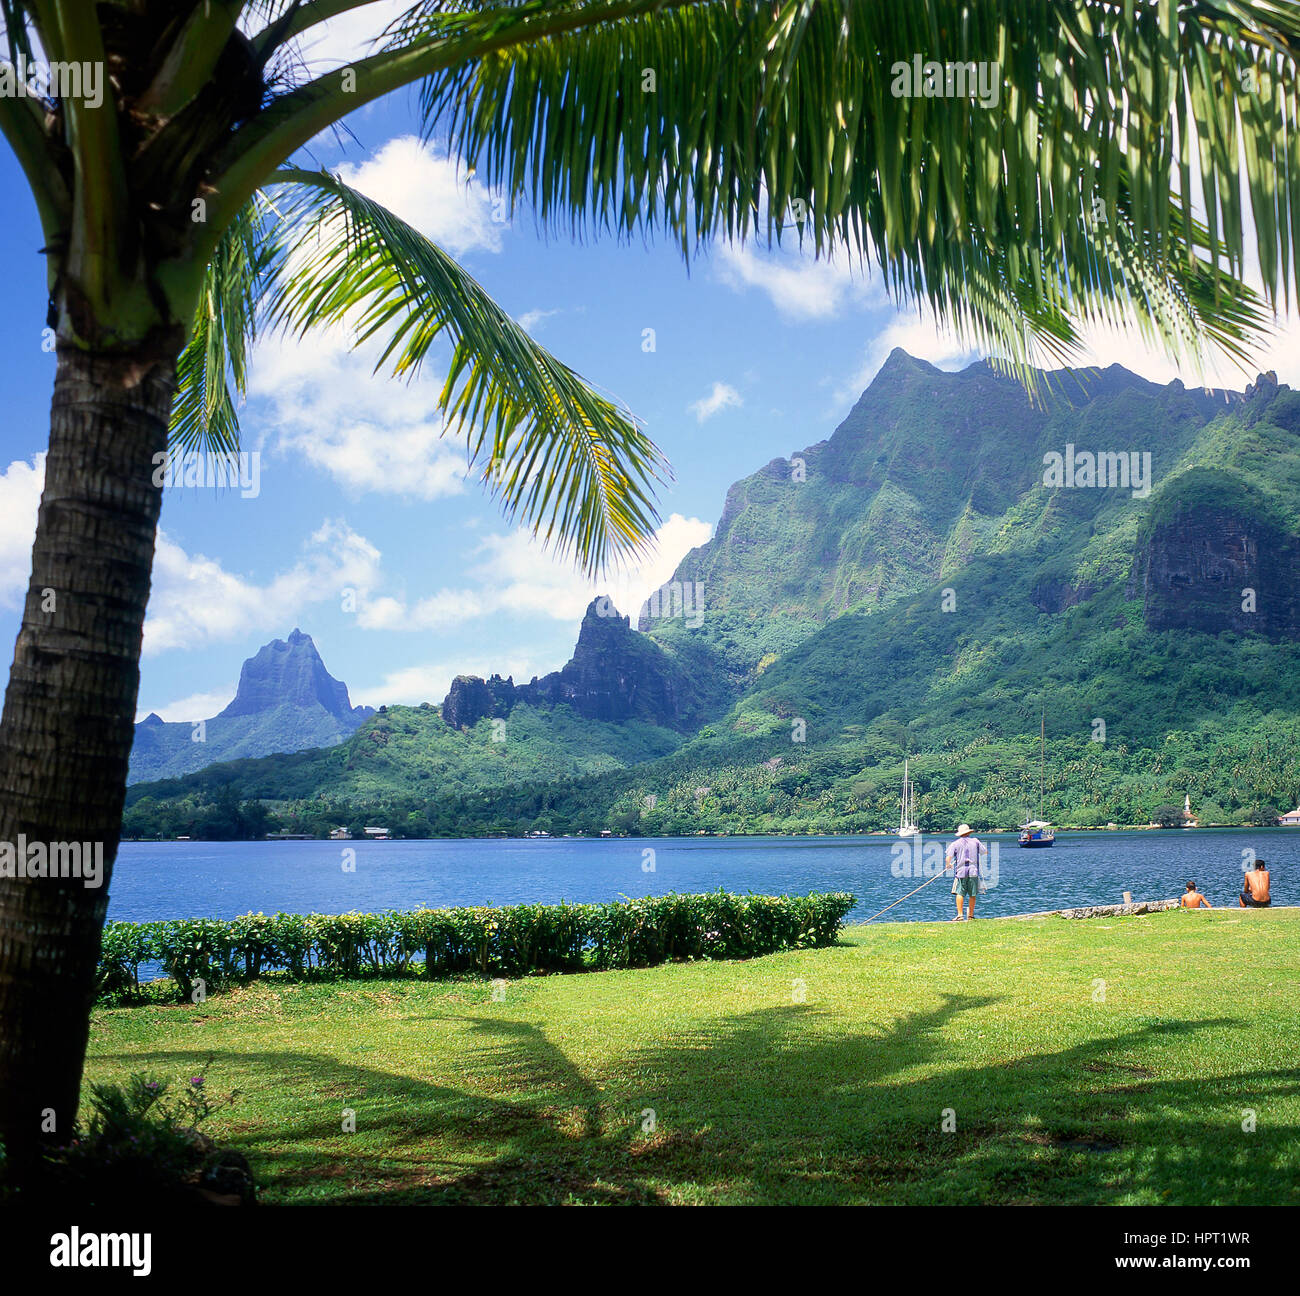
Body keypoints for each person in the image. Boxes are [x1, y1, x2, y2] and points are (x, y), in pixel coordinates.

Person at [945, 823, 986, 921]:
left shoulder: (955, 844)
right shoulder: (975, 841)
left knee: (960, 893)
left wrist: (948, 864)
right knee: (972, 894)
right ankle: (971, 915)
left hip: (961, 872)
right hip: (973, 872)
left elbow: (948, 857)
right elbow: (984, 852)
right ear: (968, 832)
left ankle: (960, 915)